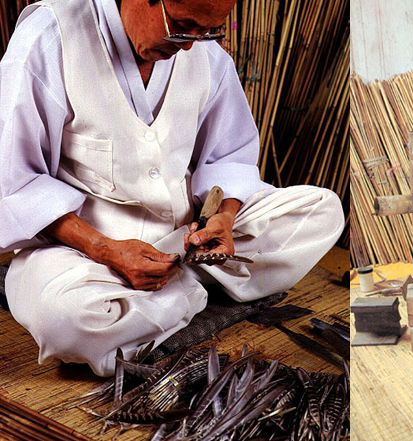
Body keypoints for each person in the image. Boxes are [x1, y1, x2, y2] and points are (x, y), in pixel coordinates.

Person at [0, 0, 344, 376]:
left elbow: (229, 156)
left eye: (208, 30)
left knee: (322, 210)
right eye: (182, 25)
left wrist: (224, 217)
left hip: (185, 241)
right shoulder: (51, 38)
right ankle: (195, 291)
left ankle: (170, 291)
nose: (190, 45)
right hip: (83, 256)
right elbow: (15, 183)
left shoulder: (205, 55)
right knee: (64, 320)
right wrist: (107, 251)